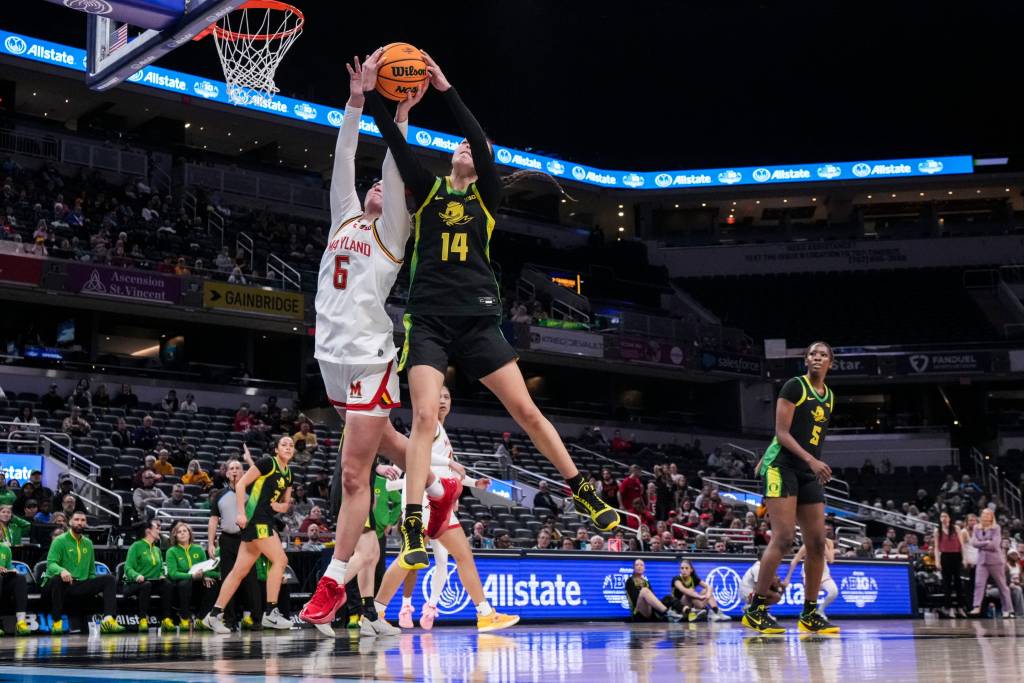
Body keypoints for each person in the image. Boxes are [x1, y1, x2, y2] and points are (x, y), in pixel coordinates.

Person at [363, 49, 617, 572]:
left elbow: (479, 140)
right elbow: (392, 139)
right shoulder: (428, 191)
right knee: (425, 419)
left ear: (480, 167)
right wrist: (373, 93)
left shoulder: (486, 197)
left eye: (471, 150)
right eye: (457, 147)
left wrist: (446, 88)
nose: (463, 149)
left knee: (527, 411)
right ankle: (414, 522)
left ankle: (582, 490)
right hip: (429, 317)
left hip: (479, 319)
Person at [299, 54, 456, 633]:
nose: (372, 188)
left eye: (383, 189)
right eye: (367, 188)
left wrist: (399, 113)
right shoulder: (344, 219)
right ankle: (438, 487)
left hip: (369, 359)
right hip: (329, 360)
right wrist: (356, 101)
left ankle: (332, 583)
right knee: (385, 443)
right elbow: (344, 157)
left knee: (352, 473)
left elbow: (392, 166)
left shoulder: (395, 233)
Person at [378, 386, 509, 633]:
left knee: (462, 556)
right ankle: (376, 612)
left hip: (440, 504)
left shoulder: (440, 429)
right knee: (409, 557)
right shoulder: (430, 426)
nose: (442, 400)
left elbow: (446, 471)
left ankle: (485, 613)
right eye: (437, 396)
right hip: (425, 501)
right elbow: (421, 457)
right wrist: (450, 462)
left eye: (447, 396)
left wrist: (472, 483)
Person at [743, 341, 837, 635]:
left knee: (818, 543)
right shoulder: (794, 387)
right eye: (812, 354)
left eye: (823, 355)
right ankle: (756, 610)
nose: (817, 358)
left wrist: (811, 463)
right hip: (782, 466)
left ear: (830, 363)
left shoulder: (829, 397)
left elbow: (809, 436)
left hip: (807, 470)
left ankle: (810, 613)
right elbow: (782, 434)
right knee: (783, 538)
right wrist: (811, 461)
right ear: (806, 360)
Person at [202, 440, 296, 633]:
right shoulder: (268, 462)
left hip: (266, 520)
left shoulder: (289, 474)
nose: (288, 447)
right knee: (280, 560)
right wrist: (240, 513)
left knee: (238, 572)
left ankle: (213, 615)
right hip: (256, 519)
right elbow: (242, 483)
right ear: (276, 449)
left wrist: (281, 507)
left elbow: (287, 503)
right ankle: (271, 612)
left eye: (291, 445)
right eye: (284, 444)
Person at [42, 511, 124, 634]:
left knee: (109, 579)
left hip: (78, 584)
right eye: (76, 520)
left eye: (82, 520)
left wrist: (93, 588)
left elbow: (91, 570)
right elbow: (51, 564)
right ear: (70, 522)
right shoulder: (59, 541)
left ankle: (108, 620)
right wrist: (62, 570)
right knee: (57, 579)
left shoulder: (88, 543)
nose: (80, 523)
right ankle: (57, 623)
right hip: (57, 586)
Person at [207, 459, 259, 630]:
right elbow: (214, 520)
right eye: (232, 468)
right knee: (228, 579)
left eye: (238, 468)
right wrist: (210, 543)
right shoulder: (219, 494)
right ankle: (229, 620)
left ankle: (256, 620)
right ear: (227, 473)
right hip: (227, 540)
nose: (235, 471)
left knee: (251, 580)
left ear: (243, 472)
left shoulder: (251, 492)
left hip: (248, 539)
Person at [165, 521, 217, 629]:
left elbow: (206, 567)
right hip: (180, 584)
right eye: (179, 532)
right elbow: (173, 574)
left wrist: (205, 576)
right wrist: (191, 576)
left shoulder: (199, 549)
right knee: (185, 583)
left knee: (212, 583)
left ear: (189, 534)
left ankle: (202, 619)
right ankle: (184, 618)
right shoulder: (171, 551)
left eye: (185, 531)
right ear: (175, 535)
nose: (182, 533)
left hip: (197, 582)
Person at [122, 519, 170, 631]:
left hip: (151, 583)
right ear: (148, 531)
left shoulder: (157, 549)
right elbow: (128, 567)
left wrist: (162, 574)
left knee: (167, 584)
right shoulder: (136, 546)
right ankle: (142, 619)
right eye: (157, 528)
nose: (159, 530)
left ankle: (166, 619)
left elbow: (161, 568)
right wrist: (137, 575)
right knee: (146, 584)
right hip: (133, 584)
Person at [969, 508, 1014, 618]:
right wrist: (986, 542)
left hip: (995, 561)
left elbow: (994, 545)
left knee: (1001, 585)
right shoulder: (976, 527)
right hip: (982, 561)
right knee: (979, 584)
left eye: (988, 514)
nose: (985, 515)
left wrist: (981, 543)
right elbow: (973, 543)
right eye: (983, 513)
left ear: (991, 516)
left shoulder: (996, 528)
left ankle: (1008, 609)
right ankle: (977, 606)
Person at [782, 538, 839, 617]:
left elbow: (831, 560)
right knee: (811, 598)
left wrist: (830, 548)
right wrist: (788, 577)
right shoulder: (806, 545)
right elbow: (795, 561)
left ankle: (820, 610)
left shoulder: (825, 544)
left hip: (823, 572)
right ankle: (807, 615)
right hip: (809, 571)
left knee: (834, 592)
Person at [934, 511, 967, 617]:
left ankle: (960, 607)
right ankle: (949, 607)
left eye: (945, 516)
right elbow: (936, 547)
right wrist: (937, 561)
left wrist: (964, 558)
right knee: (946, 583)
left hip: (956, 556)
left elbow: (962, 545)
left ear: (949, 518)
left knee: (958, 582)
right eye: (942, 516)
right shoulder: (937, 530)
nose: (943, 518)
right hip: (945, 556)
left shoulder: (956, 528)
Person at [0, 540, 30, 635]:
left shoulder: (5, 549)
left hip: (3, 584)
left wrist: (12, 570)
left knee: (20, 578)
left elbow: (9, 566)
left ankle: (21, 621)